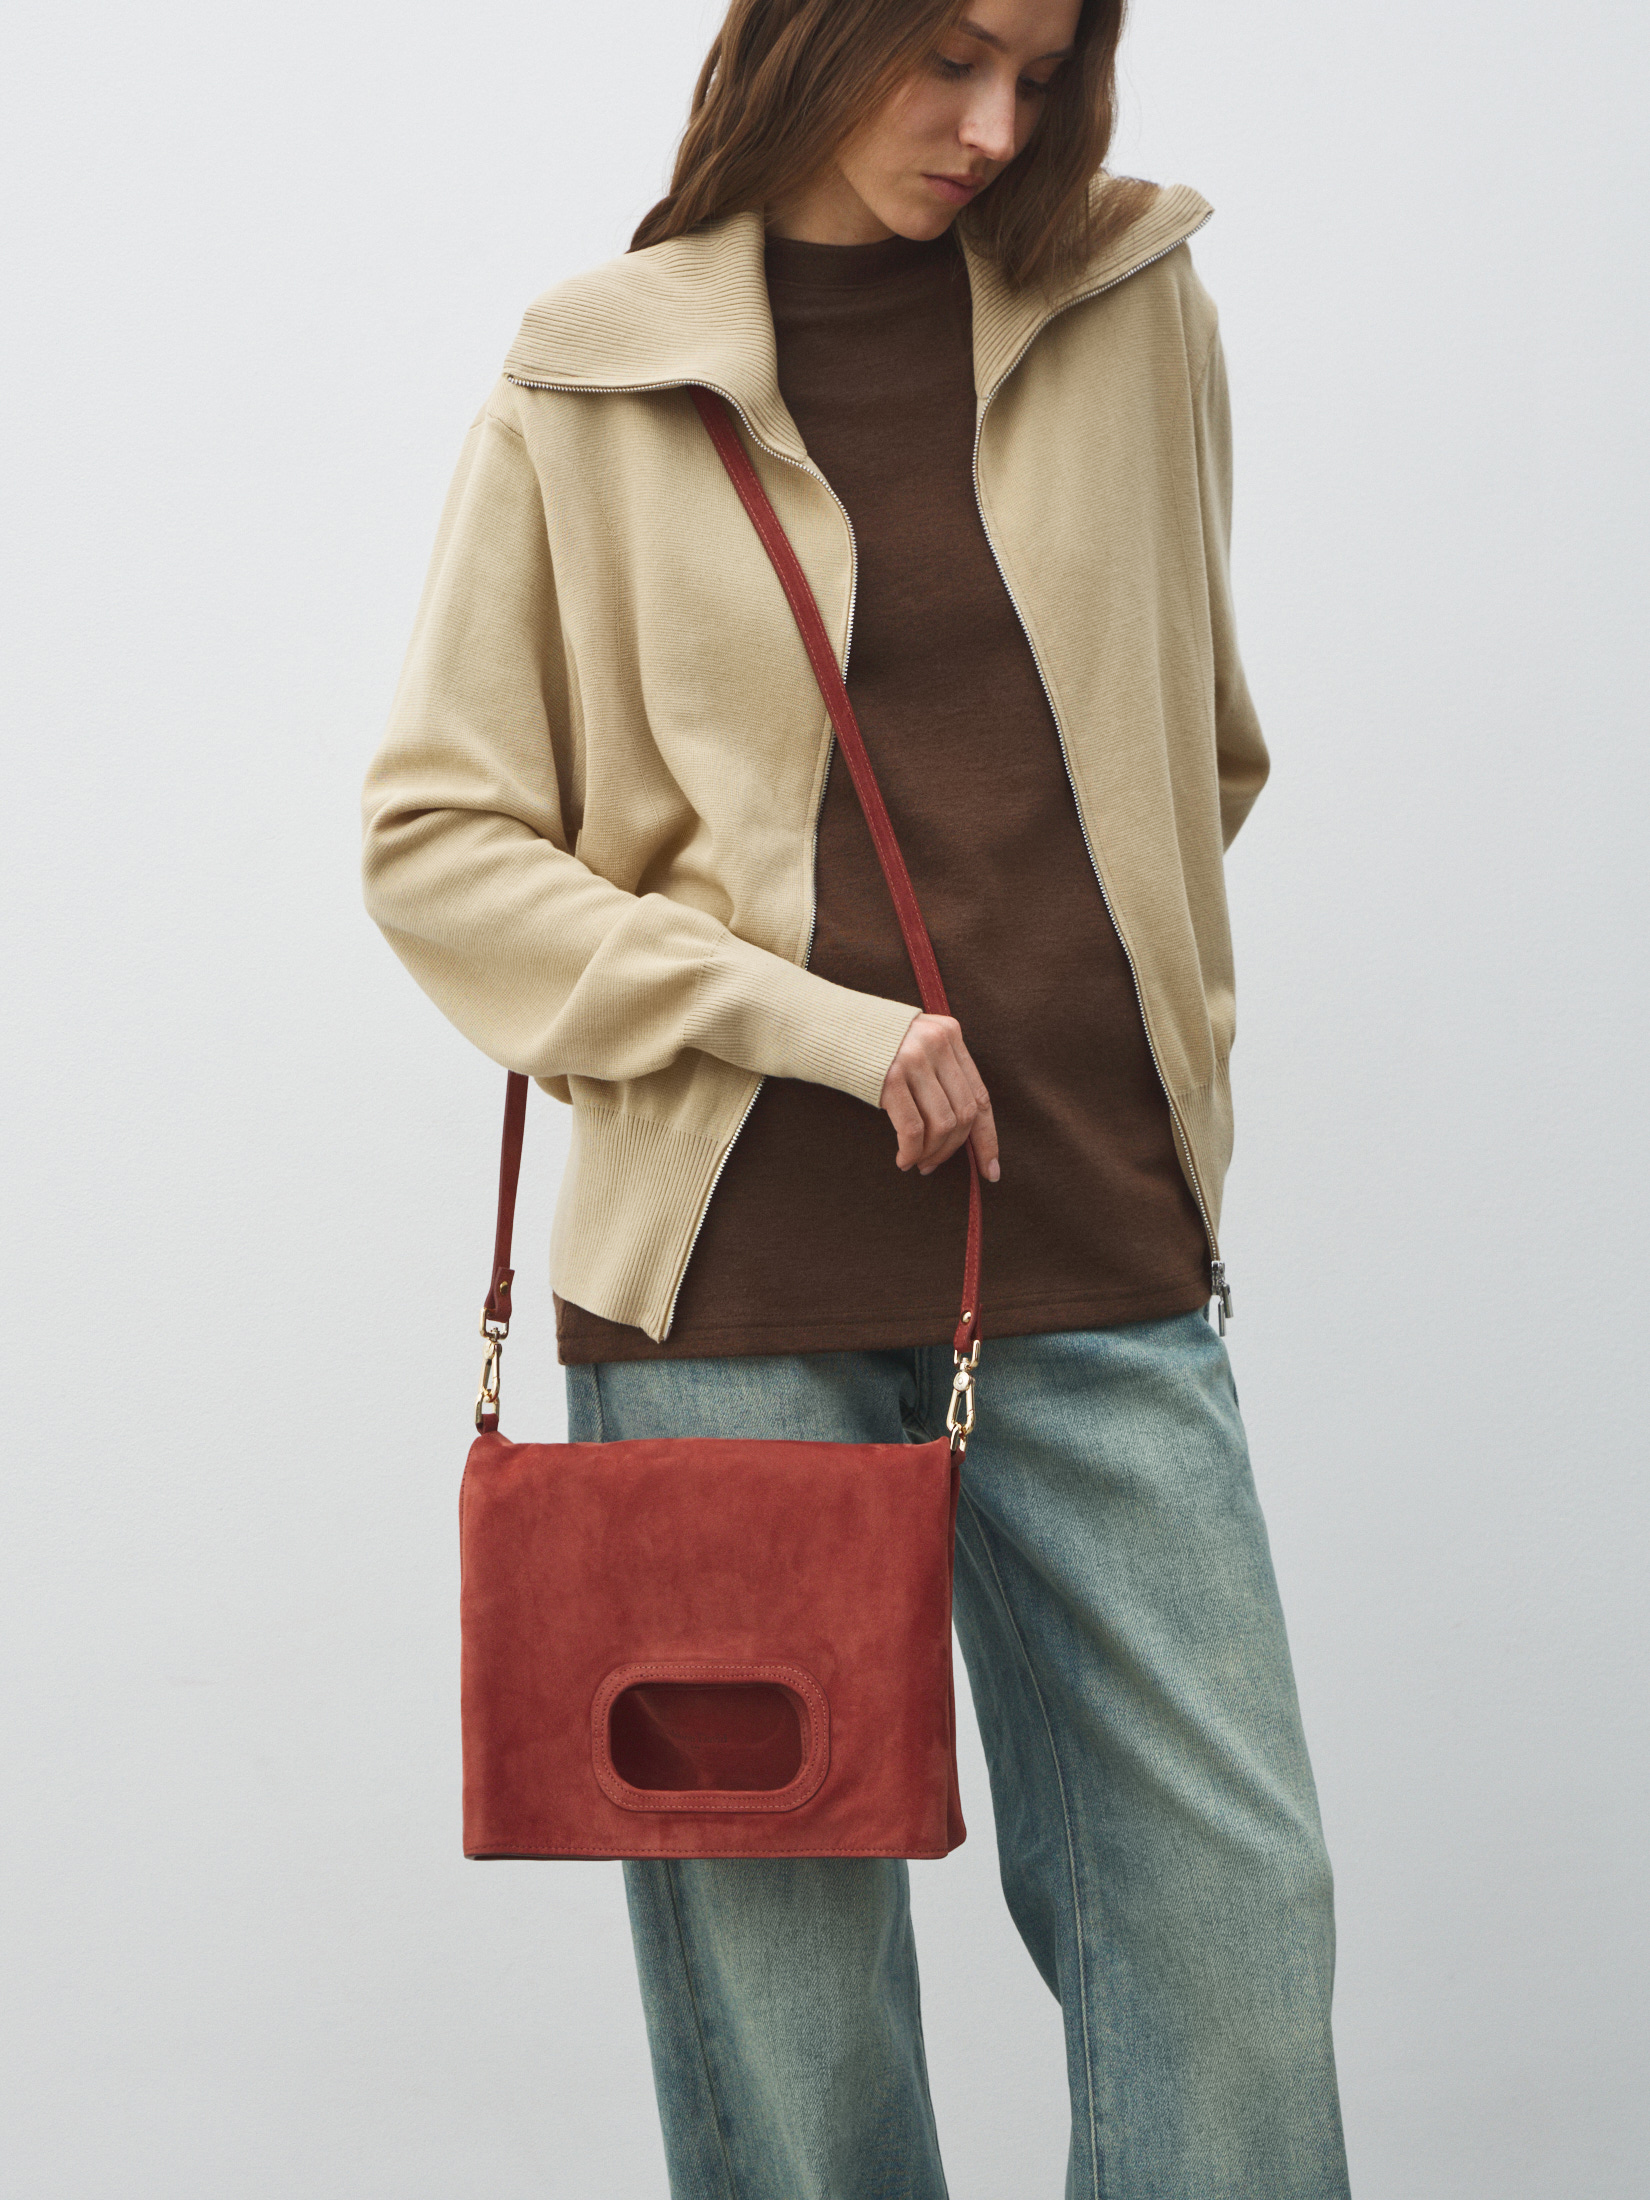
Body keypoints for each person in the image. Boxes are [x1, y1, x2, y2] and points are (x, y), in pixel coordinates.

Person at [361, 0, 1351, 2190]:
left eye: (1044, 71)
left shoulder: (1131, 306)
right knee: (796, 2043)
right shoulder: (592, 377)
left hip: (1089, 1240)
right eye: (949, 58)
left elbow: (1198, 746)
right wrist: (814, 1020)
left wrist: (1122, 1016)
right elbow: (439, 846)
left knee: (1235, 1951)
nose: (994, 126)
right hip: (727, 1294)